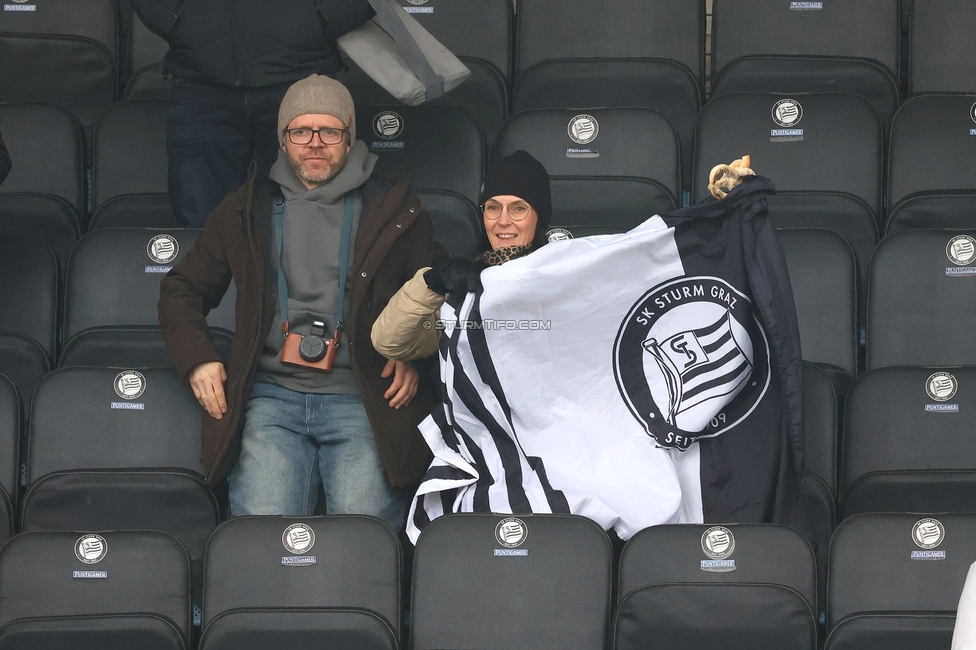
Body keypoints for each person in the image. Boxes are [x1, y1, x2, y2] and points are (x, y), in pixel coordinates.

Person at [158, 75, 438, 528]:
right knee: (261, 537)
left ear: (349, 138)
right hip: (271, 396)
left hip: (362, 393)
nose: (315, 143)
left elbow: (435, 295)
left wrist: (414, 355)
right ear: (282, 140)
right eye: (300, 131)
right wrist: (198, 360)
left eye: (329, 131)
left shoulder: (395, 209)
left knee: (364, 537)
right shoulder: (245, 208)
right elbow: (181, 290)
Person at [130, 0, 375, 227]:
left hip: (302, 80)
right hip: (200, 85)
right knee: (202, 226)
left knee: (310, 222)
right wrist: (175, 20)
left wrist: (321, 17)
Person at [371, 150, 553, 360]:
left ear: (539, 217)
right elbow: (388, 342)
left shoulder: (564, 276)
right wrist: (430, 283)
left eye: (518, 208)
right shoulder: (462, 286)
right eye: (493, 208)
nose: (503, 221)